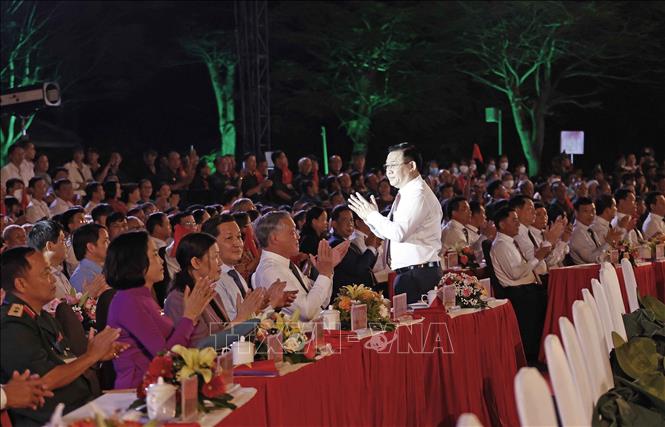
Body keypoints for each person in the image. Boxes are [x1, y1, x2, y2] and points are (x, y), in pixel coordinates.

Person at [0, 246, 126, 426]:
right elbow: (44, 380)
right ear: (21, 284)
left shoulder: (40, 315)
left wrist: (95, 356)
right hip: (53, 419)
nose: (52, 279)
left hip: (81, 407)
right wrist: (91, 356)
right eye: (45, 274)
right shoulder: (10, 325)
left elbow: (64, 362)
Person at [105, 231, 215, 389]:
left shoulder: (144, 297)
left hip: (163, 385)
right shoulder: (128, 301)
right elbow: (165, 356)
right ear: (137, 262)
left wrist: (193, 317)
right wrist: (189, 316)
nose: (161, 261)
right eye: (155, 254)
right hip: (139, 390)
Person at [349, 143, 442, 303]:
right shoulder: (406, 193)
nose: (388, 171)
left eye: (393, 165)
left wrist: (372, 216)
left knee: (417, 325)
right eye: (387, 166)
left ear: (411, 165)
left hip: (418, 275)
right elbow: (387, 233)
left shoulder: (417, 194)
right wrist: (369, 218)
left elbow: (399, 233)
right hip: (411, 274)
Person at [164, 232, 263, 348]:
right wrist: (241, 317)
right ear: (196, 262)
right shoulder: (178, 299)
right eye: (215, 257)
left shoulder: (211, 291)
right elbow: (202, 347)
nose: (220, 263)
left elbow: (222, 333)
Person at [253, 211, 349, 321]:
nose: (298, 236)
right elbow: (306, 312)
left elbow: (321, 302)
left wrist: (328, 269)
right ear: (274, 238)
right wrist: (325, 273)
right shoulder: (270, 270)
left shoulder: (285, 264)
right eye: (292, 232)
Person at [489, 207, 549, 364]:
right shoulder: (500, 245)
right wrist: (537, 258)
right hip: (519, 293)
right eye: (514, 220)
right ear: (501, 224)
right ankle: (531, 362)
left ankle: (538, 357)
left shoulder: (511, 242)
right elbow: (514, 274)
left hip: (528, 289)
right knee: (530, 332)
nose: (518, 224)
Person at [328, 204, 378, 297]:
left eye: (351, 220)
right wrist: (371, 247)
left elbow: (368, 266)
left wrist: (373, 247)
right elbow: (357, 268)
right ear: (334, 224)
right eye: (344, 220)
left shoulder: (347, 242)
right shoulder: (336, 243)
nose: (349, 223)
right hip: (347, 297)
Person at [27, 220, 75, 300]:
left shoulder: (59, 273)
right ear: (49, 246)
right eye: (62, 241)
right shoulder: (41, 279)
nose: (66, 245)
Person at [569, 197, 622, 265]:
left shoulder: (589, 229)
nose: (591, 215)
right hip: (587, 273)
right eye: (585, 211)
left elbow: (599, 252)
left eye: (593, 210)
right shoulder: (576, 233)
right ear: (576, 213)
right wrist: (608, 243)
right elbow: (591, 258)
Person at [69, 224, 110, 296]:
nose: (109, 244)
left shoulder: (103, 270)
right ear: (91, 247)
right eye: (105, 241)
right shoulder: (80, 278)